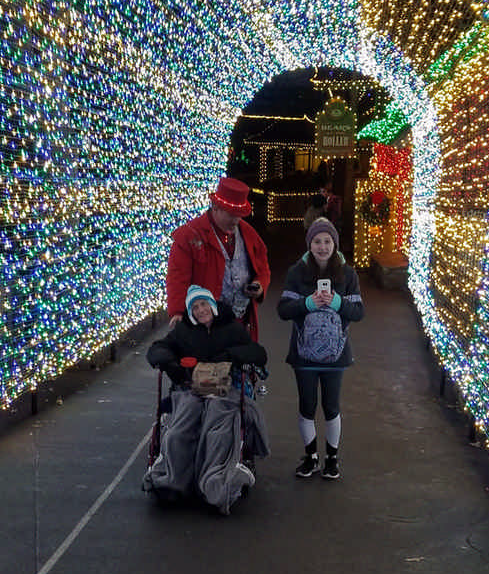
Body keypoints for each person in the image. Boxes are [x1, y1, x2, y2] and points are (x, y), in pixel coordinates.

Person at [144, 285, 270, 513]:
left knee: (218, 427)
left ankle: (216, 483)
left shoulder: (232, 328)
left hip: (223, 386)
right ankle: (172, 481)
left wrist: (231, 356)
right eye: (195, 307)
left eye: (204, 304)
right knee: (179, 428)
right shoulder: (183, 331)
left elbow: (259, 354)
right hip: (190, 386)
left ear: (212, 305)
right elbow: (158, 349)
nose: (201, 310)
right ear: (190, 312)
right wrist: (171, 364)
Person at [277, 217, 364, 480]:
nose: (323, 247)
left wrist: (336, 301)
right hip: (304, 355)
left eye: (327, 241)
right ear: (309, 244)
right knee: (306, 405)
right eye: (317, 241)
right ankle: (311, 456)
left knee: (331, 406)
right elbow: (283, 310)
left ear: (335, 244)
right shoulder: (296, 273)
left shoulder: (348, 275)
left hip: (336, 355)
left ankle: (332, 458)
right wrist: (308, 303)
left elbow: (358, 312)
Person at [166, 177, 271, 342]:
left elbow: (262, 266)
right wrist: (178, 312)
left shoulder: (248, 233)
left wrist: (259, 285)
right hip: (206, 327)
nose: (236, 220)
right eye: (231, 214)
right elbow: (177, 277)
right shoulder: (189, 236)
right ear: (215, 207)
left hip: (241, 324)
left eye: (240, 215)